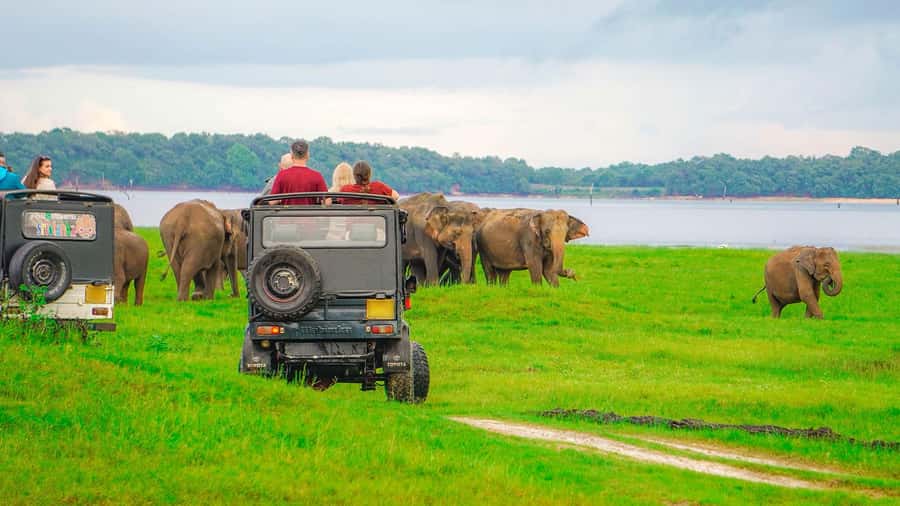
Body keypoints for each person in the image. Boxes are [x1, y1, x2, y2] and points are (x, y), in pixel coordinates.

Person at [269, 140, 327, 205]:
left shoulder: (281, 175)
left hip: (287, 214)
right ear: (308, 155)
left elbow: (272, 201)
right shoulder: (317, 176)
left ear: (291, 155)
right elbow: (327, 202)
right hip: (310, 214)